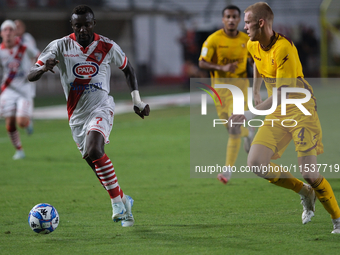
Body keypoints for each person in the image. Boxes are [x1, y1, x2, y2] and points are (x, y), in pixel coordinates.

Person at [28, 5, 150, 227]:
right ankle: (124, 201)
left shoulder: (107, 45)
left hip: (101, 107)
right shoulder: (59, 46)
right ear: (72, 26)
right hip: (77, 116)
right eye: (78, 25)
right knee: (96, 165)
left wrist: (137, 101)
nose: (83, 29)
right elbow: (31, 74)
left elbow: (128, 69)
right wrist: (44, 69)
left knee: (95, 149)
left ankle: (115, 203)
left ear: (93, 24)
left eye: (86, 24)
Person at [237, 2, 340, 233]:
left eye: (247, 22)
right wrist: (255, 90)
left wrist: (248, 113)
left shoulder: (284, 49)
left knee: (309, 173)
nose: (244, 26)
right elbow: (255, 61)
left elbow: (283, 95)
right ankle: (305, 192)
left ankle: (337, 219)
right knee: (256, 163)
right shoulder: (253, 43)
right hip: (278, 111)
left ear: (260, 22)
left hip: (301, 109)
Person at [198, 5, 255, 185]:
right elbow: (202, 62)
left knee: (233, 126)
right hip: (220, 91)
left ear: (239, 20)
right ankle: (249, 134)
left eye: (234, 17)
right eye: (228, 17)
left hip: (239, 88)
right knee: (232, 128)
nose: (231, 20)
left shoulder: (247, 40)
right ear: (223, 19)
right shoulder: (213, 40)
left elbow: (255, 61)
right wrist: (221, 67)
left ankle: (227, 170)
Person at [0, 20, 39, 160]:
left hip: (24, 87)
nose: (8, 32)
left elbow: (38, 55)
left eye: (11, 29)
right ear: (2, 33)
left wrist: (38, 69)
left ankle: (27, 123)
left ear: (15, 32)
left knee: (21, 122)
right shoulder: (0, 50)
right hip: (9, 89)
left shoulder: (24, 46)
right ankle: (19, 150)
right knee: (9, 122)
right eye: (6, 30)